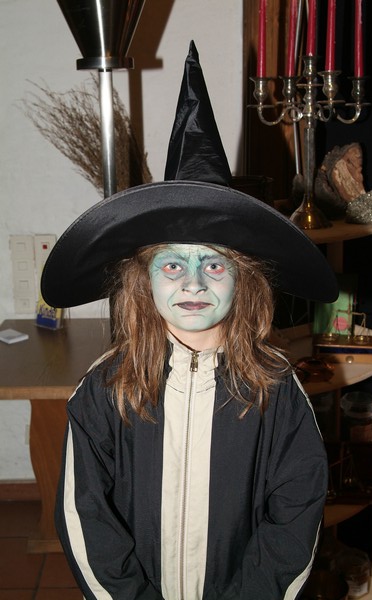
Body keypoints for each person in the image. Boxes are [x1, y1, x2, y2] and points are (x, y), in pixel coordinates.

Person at [41, 179, 338, 600]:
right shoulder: (106, 388)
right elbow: (85, 513)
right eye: (173, 266)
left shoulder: (277, 390)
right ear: (144, 279)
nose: (194, 284)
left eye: (214, 265)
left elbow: (297, 515)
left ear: (243, 279)